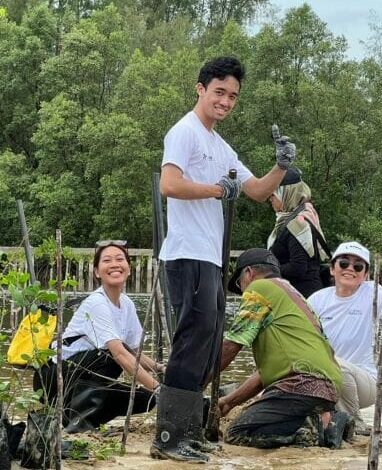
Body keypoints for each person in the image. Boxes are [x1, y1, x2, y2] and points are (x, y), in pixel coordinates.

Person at [151, 56, 296, 463]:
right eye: (219, 92)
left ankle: (187, 432)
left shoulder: (220, 144)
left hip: (210, 258)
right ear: (200, 89)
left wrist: (281, 167)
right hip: (186, 253)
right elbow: (169, 184)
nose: (226, 101)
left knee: (208, 344)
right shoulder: (185, 132)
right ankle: (167, 438)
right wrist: (217, 191)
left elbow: (253, 189)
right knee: (191, 342)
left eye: (232, 95)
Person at [216, 248, 353, 449]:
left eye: (239, 284)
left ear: (249, 273)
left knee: (238, 433)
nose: (243, 290)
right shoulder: (293, 295)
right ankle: (326, 419)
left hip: (300, 384)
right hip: (328, 386)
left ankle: (319, 429)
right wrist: (228, 403)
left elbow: (232, 344)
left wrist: (197, 382)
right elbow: (265, 375)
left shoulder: (259, 288)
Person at [33, 240, 162, 433]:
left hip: (86, 377)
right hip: (54, 378)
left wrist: (160, 370)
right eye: (107, 260)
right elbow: (120, 354)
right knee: (113, 354)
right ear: (96, 271)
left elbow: (135, 351)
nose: (115, 264)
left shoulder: (127, 304)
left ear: (128, 269)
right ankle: (76, 418)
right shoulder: (96, 303)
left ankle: (82, 420)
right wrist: (160, 389)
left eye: (120, 259)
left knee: (145, 398)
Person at [307, 240, 382, 430]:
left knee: (338, 367)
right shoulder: (317, 300)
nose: (350, 269)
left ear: (366, 274)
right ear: (332, 269)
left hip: (364, 382)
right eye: (343, 263)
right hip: (324, 379)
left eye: (358, 266)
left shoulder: (371, 294)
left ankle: (354, 423)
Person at [266, 167, 329, 297]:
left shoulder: (297, 224)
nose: (270, 199)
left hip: (302, 296)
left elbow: (298, 268)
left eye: (273, 195)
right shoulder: (303, 215)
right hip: (302, 293)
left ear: (285, 194)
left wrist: (268, 269)